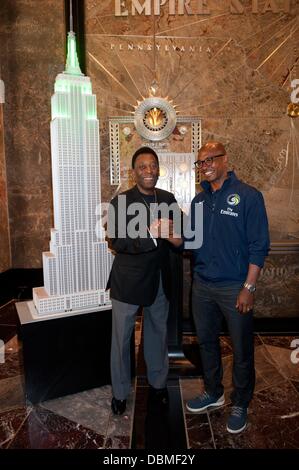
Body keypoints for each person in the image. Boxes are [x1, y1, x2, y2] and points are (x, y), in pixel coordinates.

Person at [185, 141, 270, 434]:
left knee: (242, 348)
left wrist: (249, 287)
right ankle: (213, 391)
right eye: (200, 162)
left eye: (210, 159)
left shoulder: (248, 196)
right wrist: (169, 234)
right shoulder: (198, 202)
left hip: (235, 287)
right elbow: (191, 242)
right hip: (202, 287)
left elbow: (259, 246)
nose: (205, 165)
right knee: (206, 343)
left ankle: (240, 402)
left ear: (225, 160)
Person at [107, 146, 181, 415]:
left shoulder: (168, 198)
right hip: (127, 283)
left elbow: (180, 235)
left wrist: (176, 236)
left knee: (157, 336)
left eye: (153, 166)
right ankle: (119, 393)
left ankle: (158, 386)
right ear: (134, 172)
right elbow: (116, 241)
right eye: (143, 167)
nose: (149, 171)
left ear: (158, 169)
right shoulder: (120, 202)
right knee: (121, 340)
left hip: (160, 281)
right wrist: (151, 234)